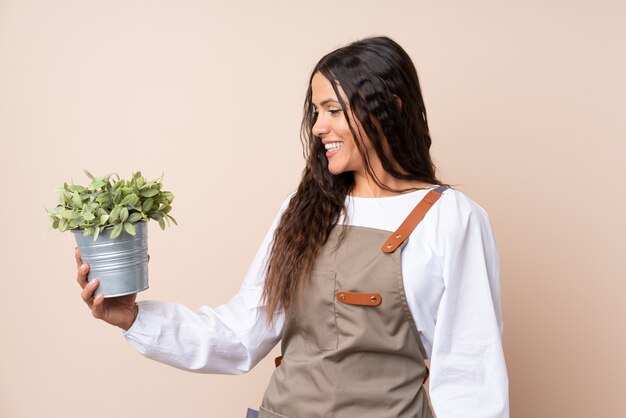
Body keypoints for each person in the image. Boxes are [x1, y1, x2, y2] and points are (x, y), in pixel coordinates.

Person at [76, 36, 509, 417]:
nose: (319, 127)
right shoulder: (304, 210)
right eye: (315, 111)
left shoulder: (452, 219)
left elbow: (470, 377)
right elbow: (241, 335)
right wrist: (131, 318)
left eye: (333, 109)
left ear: (390, 109)